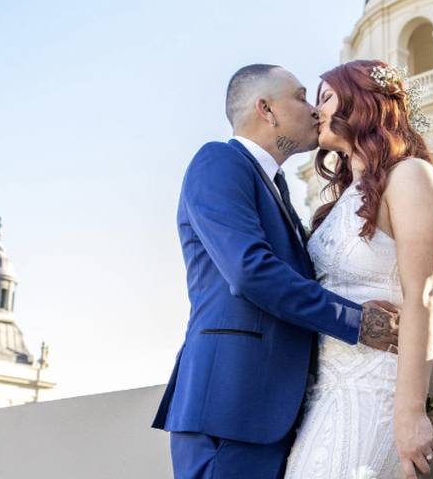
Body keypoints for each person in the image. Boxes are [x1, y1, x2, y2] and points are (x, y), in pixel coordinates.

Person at [151, 64, 401, 479]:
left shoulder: (276, 186)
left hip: (271, 410)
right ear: (266, 109)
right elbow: (250, 271)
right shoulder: (219, 161)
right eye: (302, 97)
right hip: (230, 407)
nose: (314, 111)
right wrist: (356, 321)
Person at [284, 59, 433, 479]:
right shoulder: (343, 200)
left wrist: (412, 413)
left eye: (325, 97)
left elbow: (423, 295)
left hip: (374, 391)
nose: (315, 110)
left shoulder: (410, 176)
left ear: (361, 101)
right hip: (323, 391)